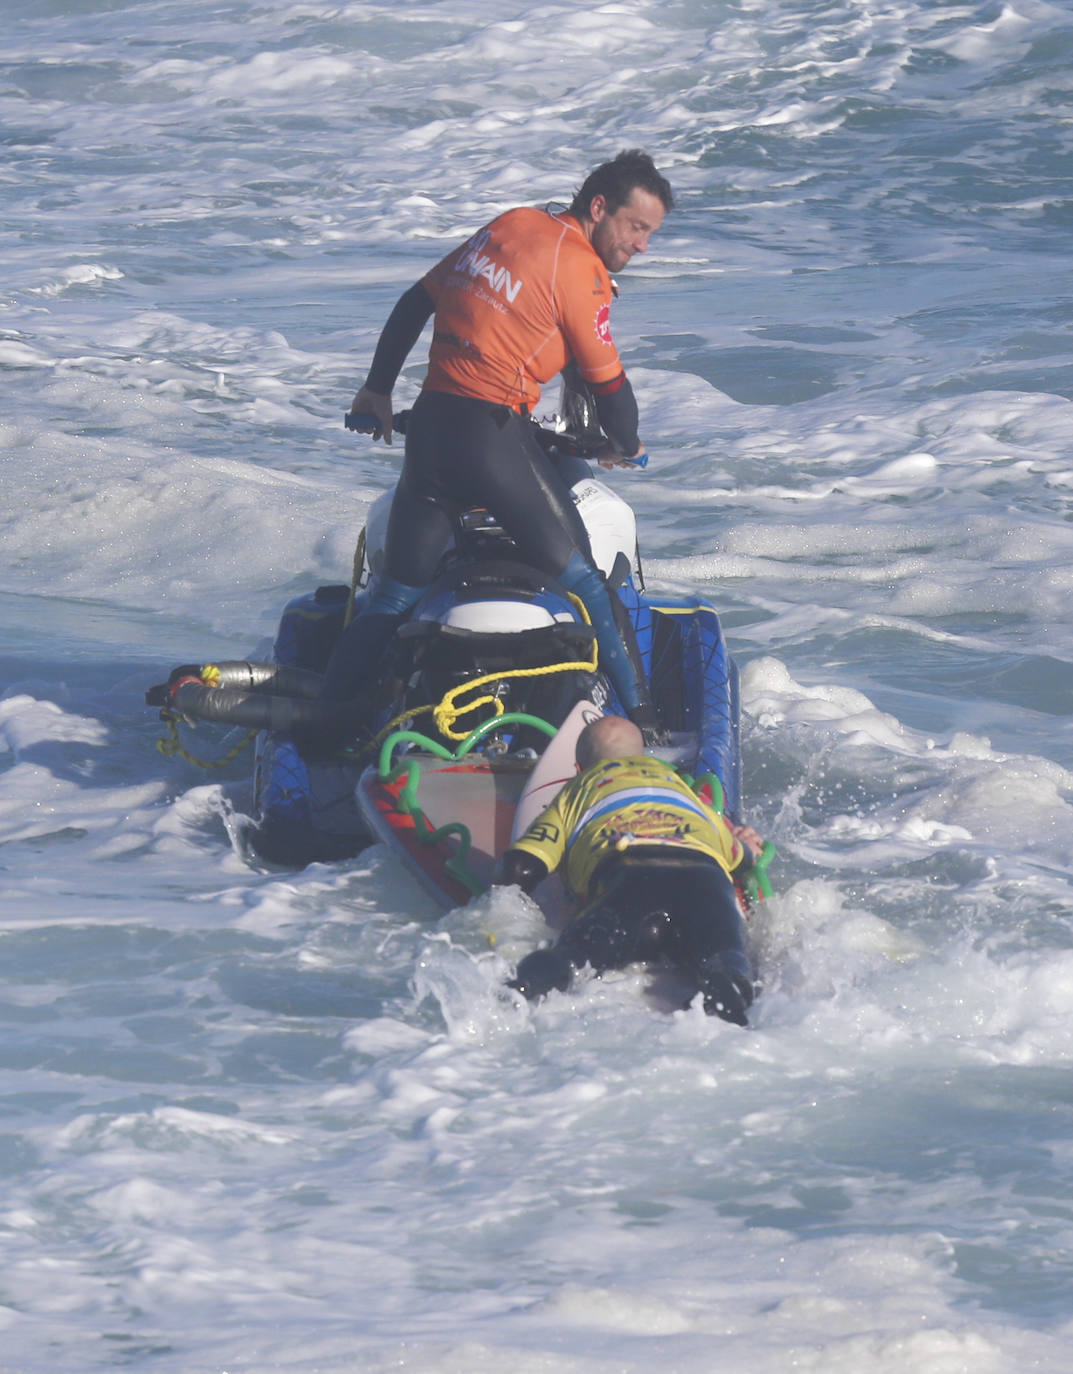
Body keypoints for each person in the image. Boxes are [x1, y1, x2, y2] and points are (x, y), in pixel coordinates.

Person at [322, 150, 674, 735]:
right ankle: (645, 726)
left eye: (650, 233)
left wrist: (377, 390)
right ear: (598, 208)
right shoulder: (580, 269)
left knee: (391, 597)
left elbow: (416, 301)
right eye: (637, 227)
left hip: (432, 432)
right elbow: (610, 386)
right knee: (587, 581)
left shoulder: (510, 224)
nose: (642, 246)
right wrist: (626, 444)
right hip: (489, 436)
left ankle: (326, 723)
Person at [496, 716, 763, 1025]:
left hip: (632, 881)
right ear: (641, 757)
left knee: (570, 960)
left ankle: (505, 1002)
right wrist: (747, 849)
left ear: (580, 768)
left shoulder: (580, 788)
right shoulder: (680, 788)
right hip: (703, 879)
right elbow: (740, 855)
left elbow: (523, 866)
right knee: (729, 966)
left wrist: (501, 908)